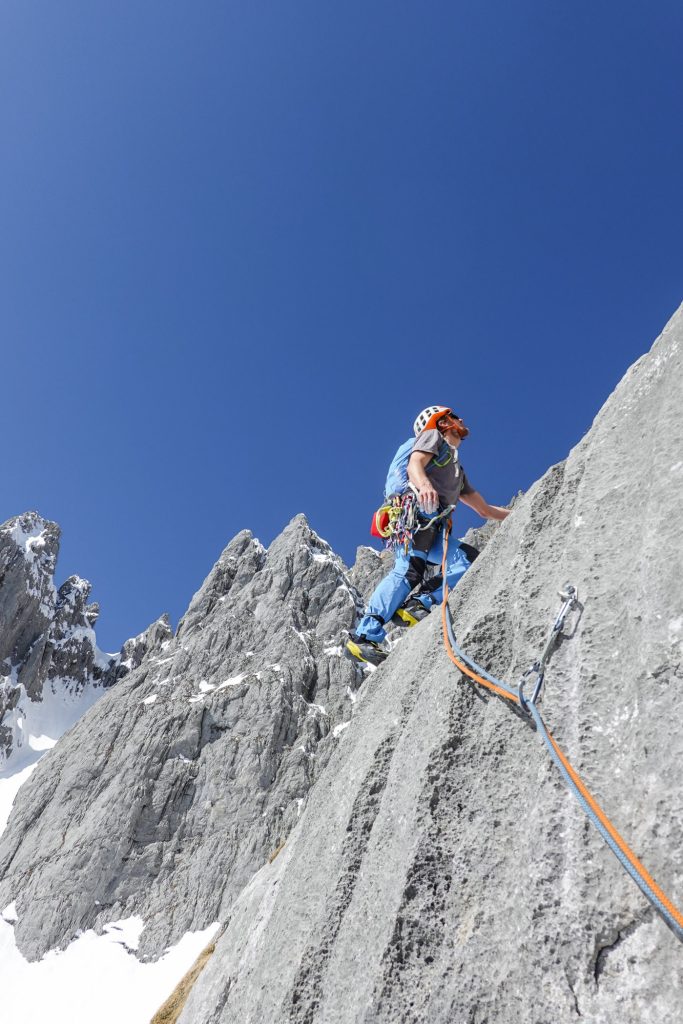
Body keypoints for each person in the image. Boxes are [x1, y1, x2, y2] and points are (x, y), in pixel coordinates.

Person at [345, 405, 510, 666]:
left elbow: (484, 510)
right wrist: (424, 486)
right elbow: (415, 464)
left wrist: (518, 513)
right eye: (455, 417)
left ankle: (418, 603)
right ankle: (364, 635)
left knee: (469, 562)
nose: (461, 420)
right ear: (441, 422)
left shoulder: (457, 470)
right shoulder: (432, 437)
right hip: (418, 513)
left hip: (433, 524)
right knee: (409, 570)